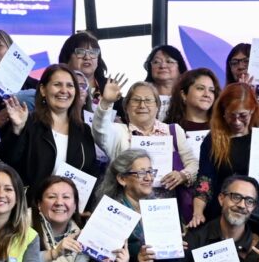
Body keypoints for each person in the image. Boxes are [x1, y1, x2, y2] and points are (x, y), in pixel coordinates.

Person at [191, 84, 259, 239]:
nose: (237, 122)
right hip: (227, 214)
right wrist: (198, 212)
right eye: (231, 115)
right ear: (222, 112)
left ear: (253, 110)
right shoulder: (213, 140)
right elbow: (205, 179)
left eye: (243, 116)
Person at [94, 77, 200, 220]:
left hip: (167, 209)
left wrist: (183, 175)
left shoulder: (173, 131)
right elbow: (100, 129)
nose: (142, 105)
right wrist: (106, 102)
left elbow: (193, 164)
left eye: (148, 100)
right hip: (128, 210)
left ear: (157, 106)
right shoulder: (119, 132)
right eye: (136, 100)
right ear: (126, 107)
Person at [0, 64, 100, 187]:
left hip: (70, 199)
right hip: (32, 198)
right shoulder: (28, 122)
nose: (64, 90)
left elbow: (90, 173)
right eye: (57, 84)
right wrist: (17, 129)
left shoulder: (83, 130)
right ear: (43, 90)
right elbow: (8, 158)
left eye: (70, 85)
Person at [59, 31, 109, 112]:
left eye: (93, 52)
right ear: (67, 58)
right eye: (80, 52)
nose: (87, 57)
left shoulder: (108, 86)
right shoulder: (59, 88)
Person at [164, 68, 220, 135]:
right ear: (184, 94)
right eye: (200, 88)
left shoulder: (223, 126)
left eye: (211, 90)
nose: (207, 94)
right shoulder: (166, 129)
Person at [143, 45, 188, 120]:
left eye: (169, 61)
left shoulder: (188, 98)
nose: (162, 66)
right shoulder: (139, 95)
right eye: (156, 62)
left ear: (180, 67)